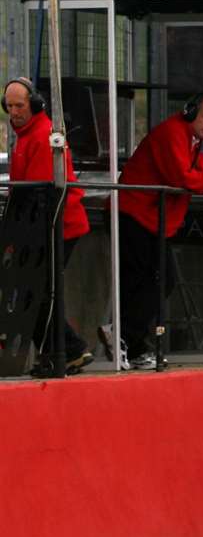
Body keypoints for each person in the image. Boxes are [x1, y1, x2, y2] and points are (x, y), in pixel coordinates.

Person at [114, 93, 203, 369]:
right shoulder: (173, 133)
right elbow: (180, 176)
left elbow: (195, 173)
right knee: (153, 279)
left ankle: (131, 343)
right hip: (138, 213)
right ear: (190, 112)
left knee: (152, 280)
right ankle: (123, 335)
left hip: (152, 218)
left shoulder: (193, 140)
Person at [4, 77, 94, 375]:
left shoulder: (42, 136)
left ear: (35, 104)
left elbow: (39, 194)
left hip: (58, 225)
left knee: (40, 292)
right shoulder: (26, 135)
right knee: (37, 291)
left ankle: (68, 349)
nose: (14, 111)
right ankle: (62, 350)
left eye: (20, 105)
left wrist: (21, 234)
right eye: (9, 105)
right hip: (46, 225)